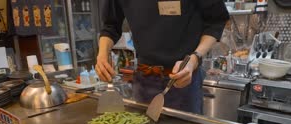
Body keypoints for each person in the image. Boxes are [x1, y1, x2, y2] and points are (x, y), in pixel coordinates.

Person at [96, 0, 229, 114]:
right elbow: (111, 26)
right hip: (144, 80)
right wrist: (102, 54)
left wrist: (195, 58)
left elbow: (216, 21)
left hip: (184, 80)